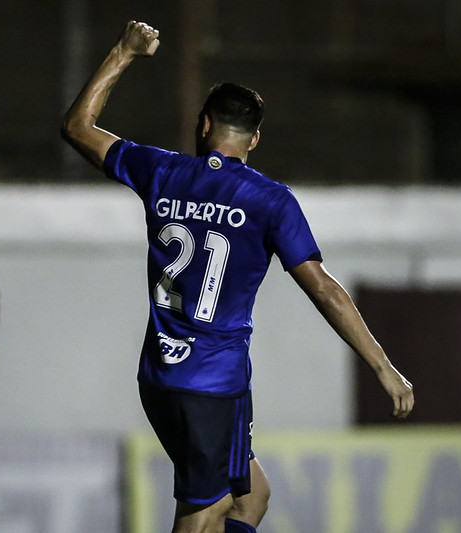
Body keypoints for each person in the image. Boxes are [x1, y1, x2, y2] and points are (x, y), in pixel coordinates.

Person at [61, 20, 414, 533]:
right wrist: (382, 366)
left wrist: (124, 51)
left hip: (160, 375)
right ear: (255, 139)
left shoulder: (161, 171)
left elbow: (77, 126)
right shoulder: (270, 201)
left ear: (204, 125)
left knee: (251, 498)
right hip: (212, 384)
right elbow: (322, 287)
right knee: (201, 515)